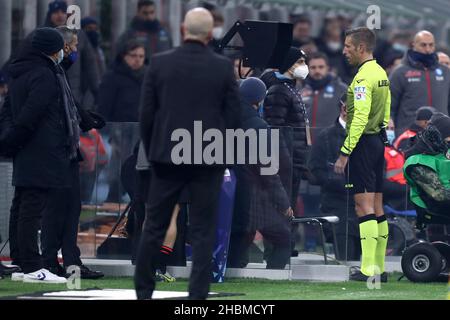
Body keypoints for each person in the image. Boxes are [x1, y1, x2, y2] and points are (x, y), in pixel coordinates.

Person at [135, 8, 240, 300]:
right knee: (203, 229)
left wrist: (155, 148)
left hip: (166, 157)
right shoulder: (222, 67)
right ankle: (197, 296)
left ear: (182, 29)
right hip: (207, 158)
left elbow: (146, 114)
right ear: (210, 34)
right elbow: (233, 117)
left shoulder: (159, 63)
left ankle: (144, 292)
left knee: (154, 225)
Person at [1, 28, 71, 283]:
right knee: (31, 208)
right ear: (53, 50)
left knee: (21, 205)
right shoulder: (44, 75)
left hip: (25, 148)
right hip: (42, 148)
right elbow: (33, 112)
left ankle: (21, 262)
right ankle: (32, 266)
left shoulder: (20, 72)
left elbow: (8, 111)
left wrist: (11, 140)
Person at [334, 27, 391, 282]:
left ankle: (368, 270)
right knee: (377, 206)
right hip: (378, 141)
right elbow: (386, 109)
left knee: (363, 206)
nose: (344, 51)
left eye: (348, 46)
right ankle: (379, 267)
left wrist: (346, 151)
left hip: (364, 144)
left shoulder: (362, 79)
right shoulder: (380, 73)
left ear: (360, 48)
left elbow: (360, 119)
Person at [228, 78, 293, 269]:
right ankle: (276, 275)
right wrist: (283, 203)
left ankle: (232, 269)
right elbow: (268, 172)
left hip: (226, 190)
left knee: (239, 237)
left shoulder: (224, 120)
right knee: (283, 237)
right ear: (259, 99)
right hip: (253, 195)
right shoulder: (259, 126)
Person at [309, 93, 360, 261]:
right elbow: (315, 171)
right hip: (336, 202)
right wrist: (337, 182)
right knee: (346, 249)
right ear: (342, 108)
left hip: (363, 201)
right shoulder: (325, 136)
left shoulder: (367, 135)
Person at [390, 30, 450, 135]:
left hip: (440, 135)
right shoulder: (400, 72)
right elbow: (389, 103)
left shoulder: (445, 72)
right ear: (414, 45)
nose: (427, 49)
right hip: (409, 135)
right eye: (423, 45)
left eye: (431, 45)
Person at [43, 0, 100, 108]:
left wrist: (97, 91)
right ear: (50, 15)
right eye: (56, 12)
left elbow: (90, 63)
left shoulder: (78, 35)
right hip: (47, 91)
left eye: (63, 12)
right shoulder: (41, 35)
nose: (60, 15)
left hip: (73, 92)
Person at [403, 114, 450, 216]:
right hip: (435, 210)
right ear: (439, 137)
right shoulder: (417, 162)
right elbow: (440, 195)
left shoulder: (442, 151)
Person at [301, 52, 348, 142]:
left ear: (327, 68)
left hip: (333, 144)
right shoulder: (301, 90)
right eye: (313, 67)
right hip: (308, 145)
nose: (317, 71)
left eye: (321, 67)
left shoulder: (341, 89)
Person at [98, 41, 146, 122]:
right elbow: (104, 108)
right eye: (133, 55)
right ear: (124, 56)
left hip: (141, 128)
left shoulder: (148, 77)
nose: (138, 59)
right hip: (118, 128)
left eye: (141, 56)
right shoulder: (111, 77)